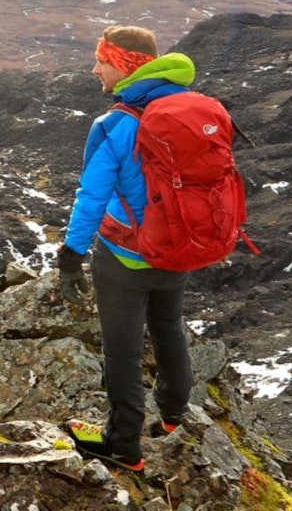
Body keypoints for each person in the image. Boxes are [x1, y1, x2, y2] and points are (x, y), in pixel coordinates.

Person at [57, 24, 196, 473]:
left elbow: (92, 196)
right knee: (169, 325)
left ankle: (123, 446)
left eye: (102, 60)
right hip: (179, 248)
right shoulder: (192, 109)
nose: (94, 68)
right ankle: (174, 415)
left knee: (123, 351)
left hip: (125, 256)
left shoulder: (114, 123)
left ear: (124, 65)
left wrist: (71, 255)